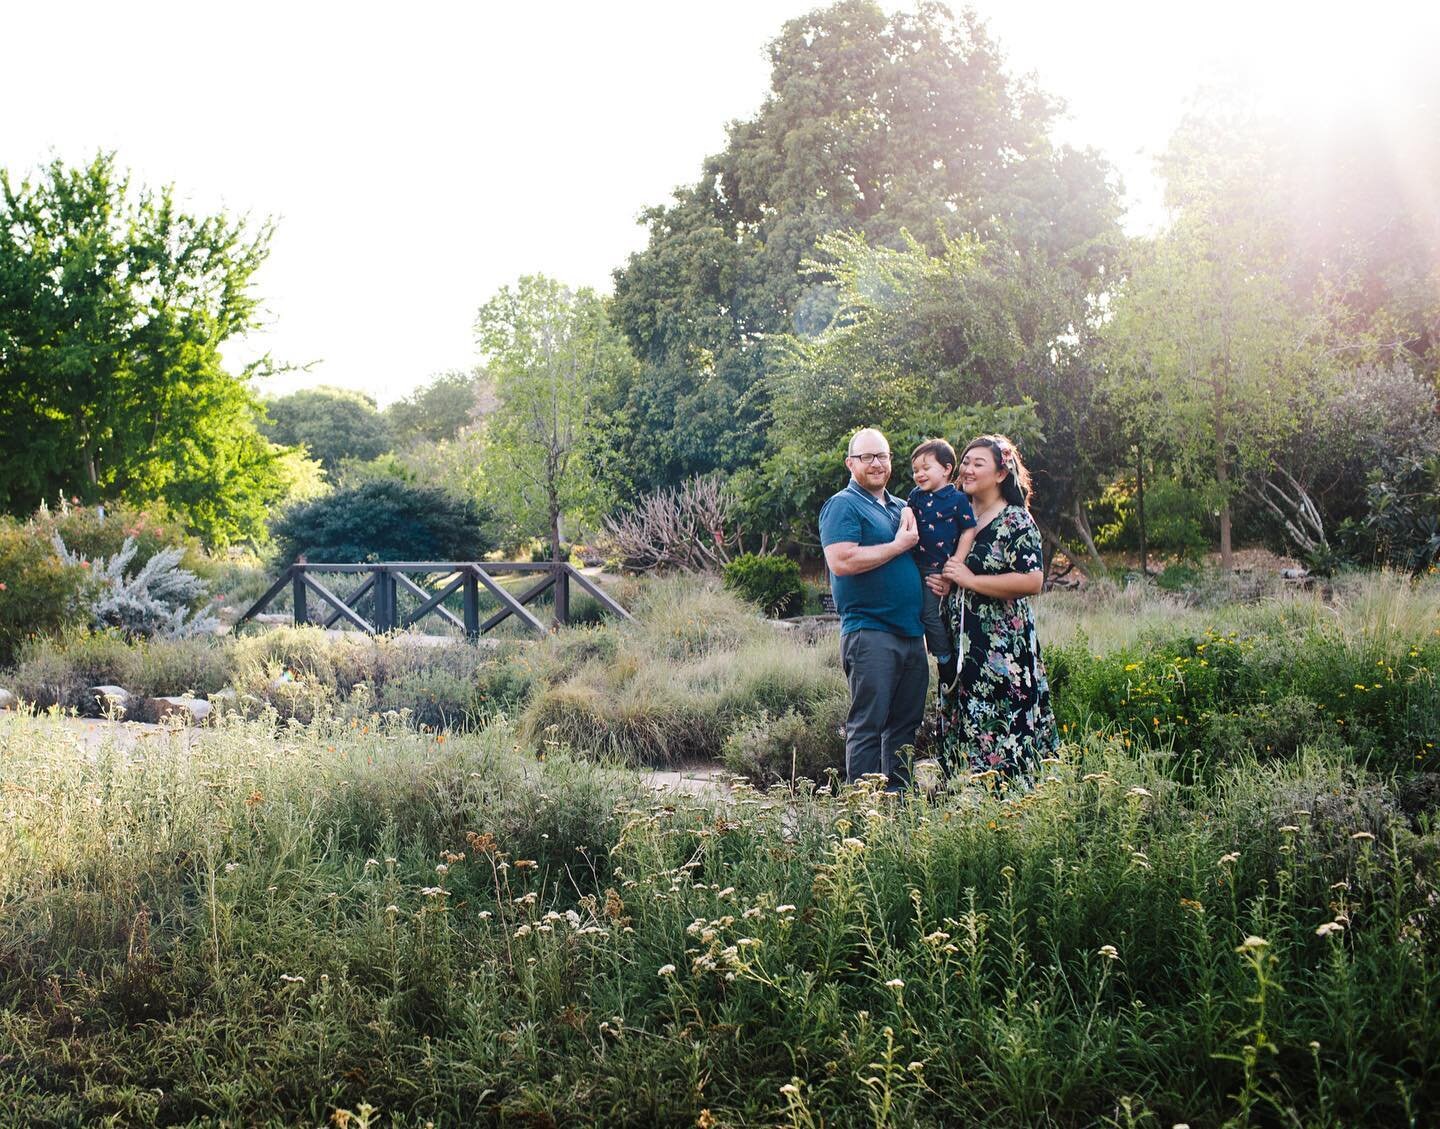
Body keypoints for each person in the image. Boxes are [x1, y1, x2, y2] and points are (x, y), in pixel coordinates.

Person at [929, 434, 1058, 788]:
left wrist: (971, 580)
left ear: (1001, 474)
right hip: (960, 651)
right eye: (965, 462)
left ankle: (1010, 809)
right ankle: (964, 808)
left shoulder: (1015, 521)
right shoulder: (958, 516)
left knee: (1003, 732)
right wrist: (948, 584)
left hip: (1002, 653)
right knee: (961, 729)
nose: (967, 469)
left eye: (977, 463)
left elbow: (1032, 580)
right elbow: (951, 569)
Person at [819, 428, 927, 791]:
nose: (877, 463)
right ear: (851, 463)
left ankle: (898, 813)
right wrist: (898, 546)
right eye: (867, 457)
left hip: (912, 634)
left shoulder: (900, 507)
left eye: (883, 456)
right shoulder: (843, 505)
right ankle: (861, 815)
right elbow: (842, 560)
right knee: (868, 725)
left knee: (905, 727)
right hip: (871, 632)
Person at [906, 438, 978, 696]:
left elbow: (969, 530)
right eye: (915, 470)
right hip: (914, 565)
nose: (919, 474)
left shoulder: (957, 500)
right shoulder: (916, 496)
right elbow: (906, 512)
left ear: (946, 469)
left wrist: (956, 562)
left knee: (929, 614)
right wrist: (905, 513)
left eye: (926, 467)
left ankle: (945, 661)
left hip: (937, 570)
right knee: (912, 613)